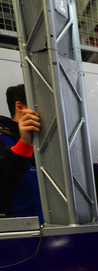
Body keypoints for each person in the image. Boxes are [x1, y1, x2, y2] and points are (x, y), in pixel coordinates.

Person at [0, 85, 42, 219]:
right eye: (43, 104)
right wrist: (24, 144)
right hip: (18, 229)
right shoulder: (2, 138)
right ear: (20, 107)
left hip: (52, 226)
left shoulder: (47, 140)